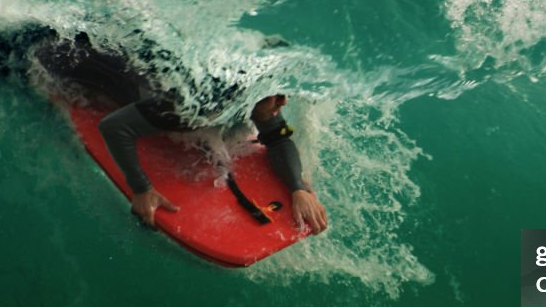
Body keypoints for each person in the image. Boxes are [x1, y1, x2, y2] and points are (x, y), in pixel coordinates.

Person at [33, 29, 328, 234]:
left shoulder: (249, 91)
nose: (283, 102)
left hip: (116, 44)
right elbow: (113, 127)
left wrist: (297, 188)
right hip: (57, 54)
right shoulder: (200, 105)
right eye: (277, 95)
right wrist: (141, 189)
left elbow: (278, 137)